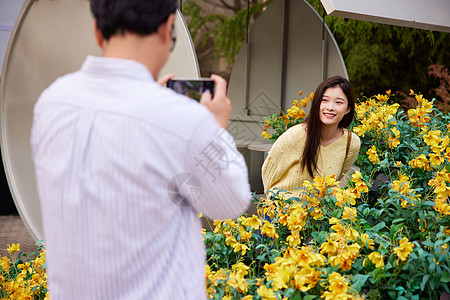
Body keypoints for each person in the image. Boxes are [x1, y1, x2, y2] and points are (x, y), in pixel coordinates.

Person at [30, 1, 251, 299]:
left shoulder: (52, 102)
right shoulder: (181, 119)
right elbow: (231, 202)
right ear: (166, 28)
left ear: (97, 30)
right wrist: (215, 129)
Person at [261, 76, 361, 198]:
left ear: (347, 109)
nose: (330, 107)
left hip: (319, 214)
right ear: (316, 103)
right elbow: (268, 175)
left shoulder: (351, 142)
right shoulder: (295, 136)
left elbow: (337, 179)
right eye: (324, 100)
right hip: (283, 212)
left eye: (338, 102)